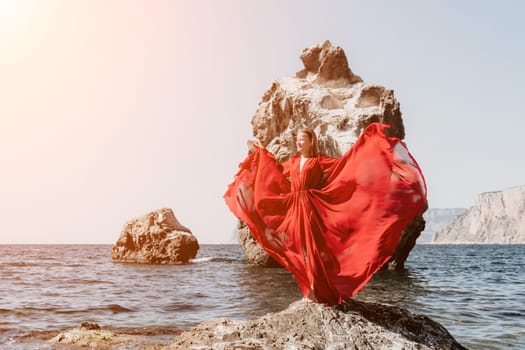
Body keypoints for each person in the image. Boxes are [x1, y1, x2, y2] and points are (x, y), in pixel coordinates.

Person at [224, 123, 427, 305]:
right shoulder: (294, 161)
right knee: (299, 248)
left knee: (312, 248)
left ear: (311, 141)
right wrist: (262, 152)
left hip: (311, 208)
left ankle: (317, 290)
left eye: (301, 139)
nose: (298, 142)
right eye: (297, 139)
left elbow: (343, 165)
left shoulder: (319, 161)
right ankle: (313, 288)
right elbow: (275, 171)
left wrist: (363, 144)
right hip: (294, 207)